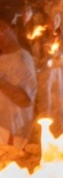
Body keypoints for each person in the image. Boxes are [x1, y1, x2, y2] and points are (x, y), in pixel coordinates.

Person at [0, 20, 36, 157]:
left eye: (2, 30)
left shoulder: (22, 58)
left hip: (14, 136)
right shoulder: (3, 58)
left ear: (9, 30)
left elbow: (25, 100)